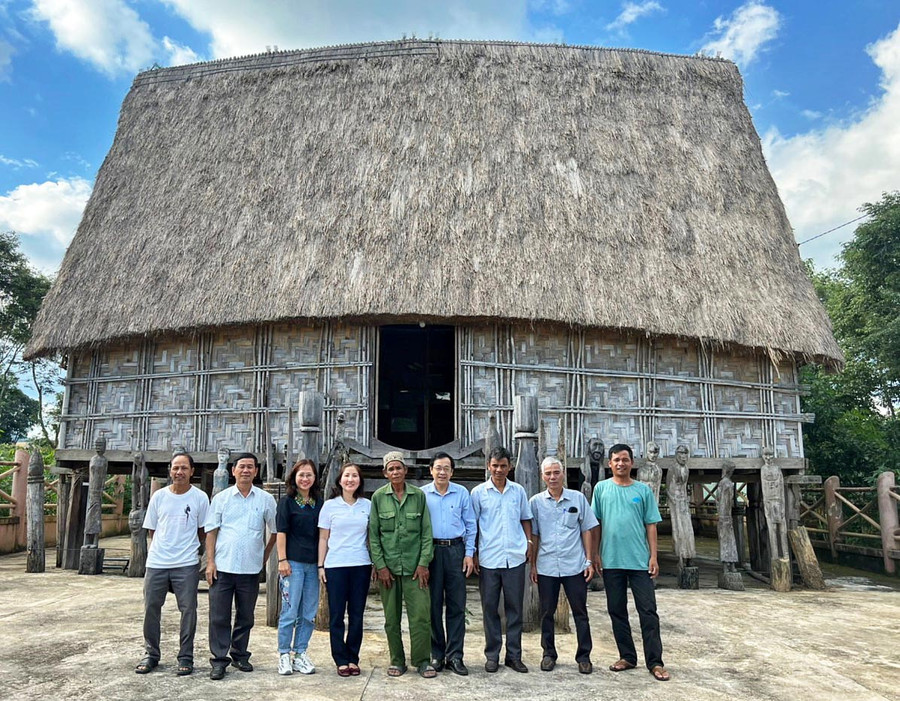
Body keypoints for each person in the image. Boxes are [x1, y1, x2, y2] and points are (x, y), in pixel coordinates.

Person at [592, 443, 670, 682]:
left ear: (632, 463)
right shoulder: (601, 489)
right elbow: (596, 524)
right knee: (617, 610)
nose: (620, 464)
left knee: (648, 611)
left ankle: (655, 662)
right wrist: (595, 554)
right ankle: (627, 656)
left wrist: (654, 556)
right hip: (612, 560)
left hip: (639, 562)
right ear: (609, 463)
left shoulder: (643, 490)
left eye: (625, 460)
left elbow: (651, 525)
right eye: (616, 460)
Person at [135, 452, 209, 676]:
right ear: (170, 470)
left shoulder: (200, 498)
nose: (179, 472)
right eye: (176, 468)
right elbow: (152, 530)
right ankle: (151, 654)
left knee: (188, 610)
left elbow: (203, 531)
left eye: (184, 468)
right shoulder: (159, 496)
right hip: (157, 562)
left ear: (192, 471)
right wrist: (164, 549)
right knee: (151, 609)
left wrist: (188, 550)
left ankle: (186, 656)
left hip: (186, 563)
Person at [205, 452, 277, 680]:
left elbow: (275, 531)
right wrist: (210, 562)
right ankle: (218, 660)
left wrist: (264, 557)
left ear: (256, 471)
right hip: (222, 568)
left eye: (250, 467)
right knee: (219, 616)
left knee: (246, 616)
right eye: (242, 467)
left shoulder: (266, 499)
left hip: (250, 570)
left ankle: (239, 655)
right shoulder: (222, 498)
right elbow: (211, 531)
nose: (246, 471)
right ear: (233, 470)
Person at [368, 451, 435, 678]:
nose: (395, 472)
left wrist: (424, 563)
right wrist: (381, 566)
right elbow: (374, 536)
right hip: (389, 570)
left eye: (399, 468)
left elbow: (427, 533)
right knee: (391, 619)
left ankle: (423, 660)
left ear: (405, 471)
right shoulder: (378, 497)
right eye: (391, 469)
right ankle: (397, 659)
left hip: (416, 569)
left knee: (420, 617)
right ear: (385, 473)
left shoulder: (418, 496)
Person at [529, 456, 597, 675]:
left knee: (580, 612)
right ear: (542, 476)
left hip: (574, 565)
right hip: (546, 565)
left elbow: (587, 529)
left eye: (556, 472)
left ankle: (584, 656)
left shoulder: (577, 498)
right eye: (548, 473)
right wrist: (533, 565)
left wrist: (589, 560)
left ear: (563, 473)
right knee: (546, 613)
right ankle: (548, 654)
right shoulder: (536, 502)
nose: (552, 477)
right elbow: (535, 535)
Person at [471, 446, 533, 673]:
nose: (499, 470)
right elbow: (473, 526)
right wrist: (474, 553)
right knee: (490, 609)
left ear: (510, 467)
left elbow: (526, 518)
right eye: (495, 465)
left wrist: (528, 543)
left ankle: (514, 656)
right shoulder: (478, 493)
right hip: (488, 558)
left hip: (515, 558)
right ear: (488, 465)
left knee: (515, 608)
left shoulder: (518, 491)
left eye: (503, 466)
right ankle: (492, 655)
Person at [422, 452, 476, 675]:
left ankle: (455, 656)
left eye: (446, 468)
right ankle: (437, 654)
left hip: (456, 550)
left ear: (452, 472)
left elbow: (471, 525)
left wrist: (469, 554)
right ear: (431, 470)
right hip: (431, 551)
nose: (442, 472)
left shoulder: (462, 493)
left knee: (456, 605)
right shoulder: (422, 494)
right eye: (438, 467)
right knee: (433, 605)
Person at [318, 463, 372, 677]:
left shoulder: (367, 505)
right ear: (340, 480)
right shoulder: (330, 506)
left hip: (361, 564)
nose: (350, 479)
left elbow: (372, 535)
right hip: (335, 565)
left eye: (355, 476)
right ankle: (340, 658)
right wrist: (320, 565)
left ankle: (353, 657)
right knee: (337, 615)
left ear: (360, 481)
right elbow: (323, 537)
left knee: (357, 615)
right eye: (347, 476)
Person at [275, 459, 322, 676]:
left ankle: (300, 653)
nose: (305, 479)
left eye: (309, 475)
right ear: (294, 477)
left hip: (313, 565)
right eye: (301, 474)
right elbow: (281, 532)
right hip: (292, 563)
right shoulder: (287, 502)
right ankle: (284, 654)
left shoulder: (318, 502)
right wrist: (282, 560)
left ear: (315, 478)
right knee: (290, 610)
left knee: (308, 612)